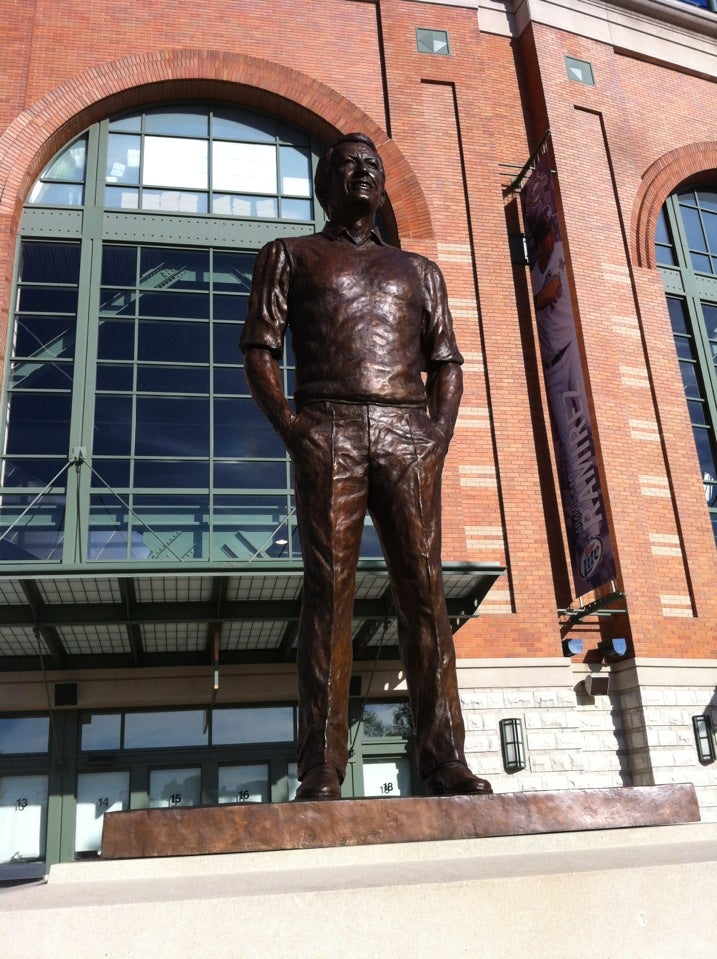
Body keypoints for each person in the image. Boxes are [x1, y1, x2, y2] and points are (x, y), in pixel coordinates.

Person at [240, 132, 492, 801]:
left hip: (407, 429)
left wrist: (434, 434)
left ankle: (445, 760)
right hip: (328, 426)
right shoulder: (289, 256)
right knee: (328, 593)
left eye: (372, 165)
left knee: (425, 594)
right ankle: (320, 766)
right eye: (347, 163)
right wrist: (295, 430)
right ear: (324, 183)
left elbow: (446, 363)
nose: (362, 170)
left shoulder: (419, 270)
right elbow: (259, 351)